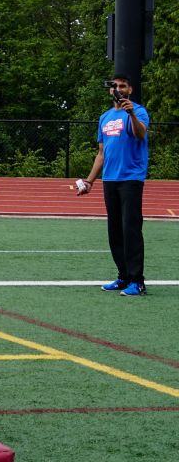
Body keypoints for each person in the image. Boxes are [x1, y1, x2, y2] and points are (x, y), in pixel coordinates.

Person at [75, 75, 150, 296]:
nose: (118, 89)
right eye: (115, 86)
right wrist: (89, 181)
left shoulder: (139, 111)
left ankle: (137, 281)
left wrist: (131, 114)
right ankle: (123, 276)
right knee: (115, 231)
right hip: (110, 179)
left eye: (122, 86)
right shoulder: (105, 118)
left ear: (130, 89)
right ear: (110, 91)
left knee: (131, 229)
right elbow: (101, 153)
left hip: (131, 178)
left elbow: (140, 134)